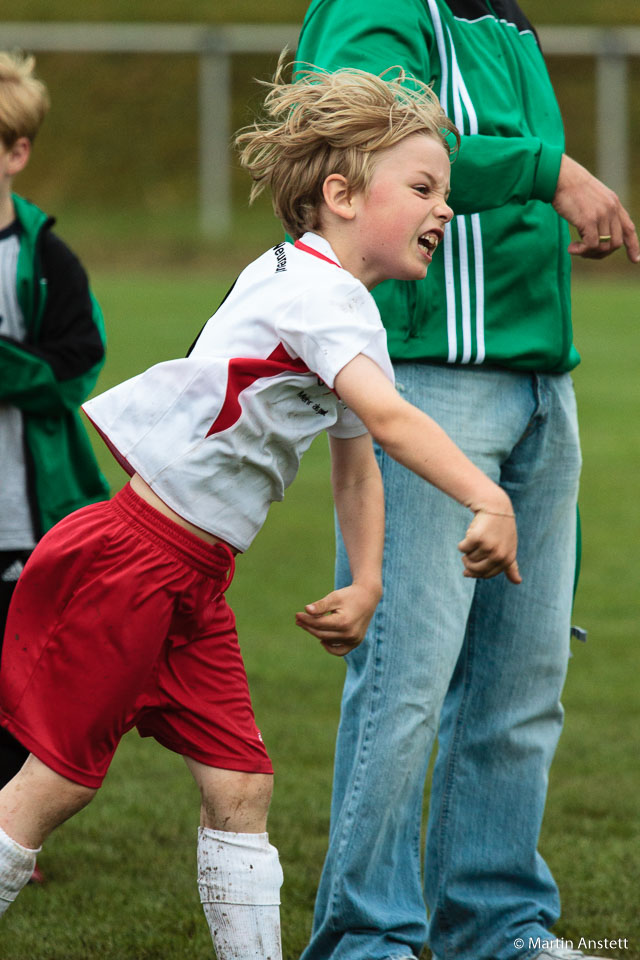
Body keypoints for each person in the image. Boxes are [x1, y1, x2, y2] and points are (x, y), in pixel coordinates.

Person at [0, 61, 521, 957]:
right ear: (341, 193)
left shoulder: (339, 304)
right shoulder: (321, 297)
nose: (445, 208)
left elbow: (357, 459)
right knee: (55, 787)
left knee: (241, 784)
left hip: (193, 579)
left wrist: (365, 582)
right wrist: (487, 493)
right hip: (137, 559)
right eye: (425, 187)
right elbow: (394, 423)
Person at [295, 4, 640, 960]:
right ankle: (367, 936)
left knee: (523, 683)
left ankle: (496, 924)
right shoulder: (379, 7)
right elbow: (357, 150)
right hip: (429, 375)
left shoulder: (510, 18)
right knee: (407, 676)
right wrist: (549, 168)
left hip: (540, 378)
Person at [0, 50, 109, 881]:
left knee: (20, 677)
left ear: (17, 151)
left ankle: (12, 837)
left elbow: (77, 364)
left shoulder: (44, 258)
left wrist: (10, 368)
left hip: (26, 505)